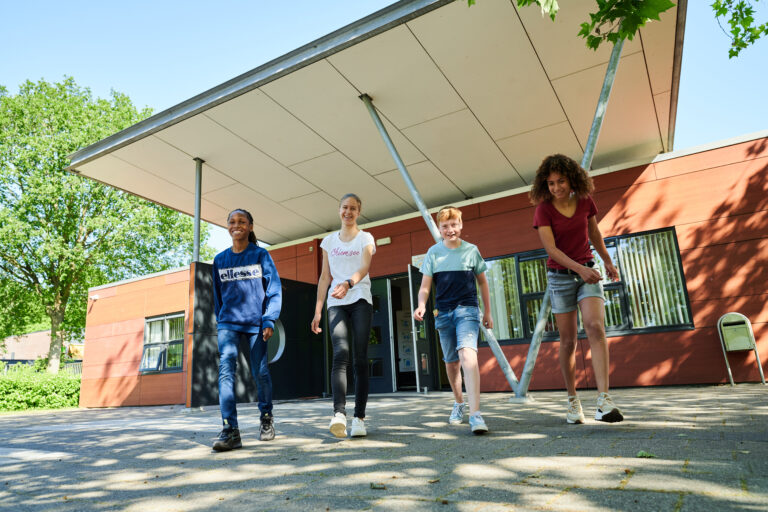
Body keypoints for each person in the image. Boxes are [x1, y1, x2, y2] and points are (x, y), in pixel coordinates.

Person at [530, 154, 624, 424]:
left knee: (595, 327)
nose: (556, 187)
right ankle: (573, 401)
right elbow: (551, 250)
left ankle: (604, 401)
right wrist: (580, 269)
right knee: (569, 341)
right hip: (560, 277)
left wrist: (606, 261)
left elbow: (594, 234)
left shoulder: (584, 201)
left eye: (560, 181)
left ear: (572, 179)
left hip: (588, 272)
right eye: (550, 183)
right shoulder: (544, 210)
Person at [413, 206, 493, 435]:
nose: (450, 230)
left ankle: (476, 414)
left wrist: (487, 312)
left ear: (461, 225)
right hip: (444, 313)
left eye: (454, 224)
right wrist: (421, 305)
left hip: (467, 310)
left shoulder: (471, 251)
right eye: (445, 226)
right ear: (439, 228)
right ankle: (459, 403)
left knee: (468, 354)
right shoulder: (433, 253)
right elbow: (425, 287)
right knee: (451, 362)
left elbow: (483, 283)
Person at [211, 208, 282, 451]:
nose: (236, 225)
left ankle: (266, 418)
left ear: (250, 226)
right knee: (226, 369)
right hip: (228, 323)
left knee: (260, 371)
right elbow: (217, 297)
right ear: (228, 227)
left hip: (256, 323)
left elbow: (274, 290)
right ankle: (230, 429)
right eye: (232, 221)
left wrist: (269, 319)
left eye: (242, 221)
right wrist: (221, 320)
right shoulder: (220, 260)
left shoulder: (261, 255)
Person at [311, 193, 376, 438]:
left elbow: (365, 267)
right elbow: (325, 277)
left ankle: (359, 418)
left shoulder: (365, 238)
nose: (348, 212)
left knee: (359, 358)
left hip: (359, 298)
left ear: (359, 212)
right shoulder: (328, 242)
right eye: (345, 208)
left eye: (353, 208)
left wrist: (348, 283)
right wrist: (318, 310)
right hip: (335, 302)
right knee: (340, 354)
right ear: (339, 210)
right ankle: (339, 414)